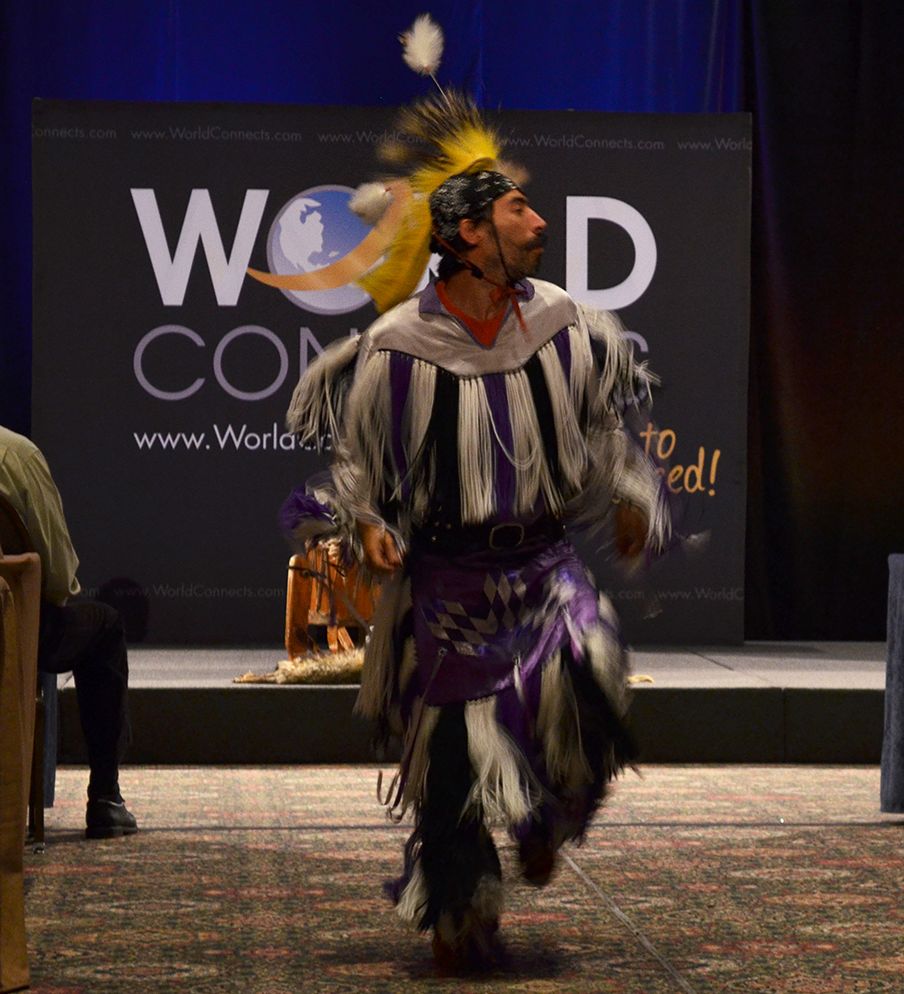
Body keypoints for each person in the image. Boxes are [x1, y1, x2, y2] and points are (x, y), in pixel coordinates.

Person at [285, 95, 672, 970]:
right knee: (454, 755)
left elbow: (601, 425)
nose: (540, 225)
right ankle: (460, 905)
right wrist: (369, 523)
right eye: (519, 212)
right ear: (467, 235)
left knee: (591, 683)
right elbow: (360, 458)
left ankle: (546, 819)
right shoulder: (398, 344)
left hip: (543, 560)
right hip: (449, 575)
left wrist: (628, 491)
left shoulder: (562, 320)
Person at [0, 325, 135, 838]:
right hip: (0, 630)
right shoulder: (14, 454)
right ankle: (104, 799)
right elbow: (56, 580)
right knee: (104, 625)